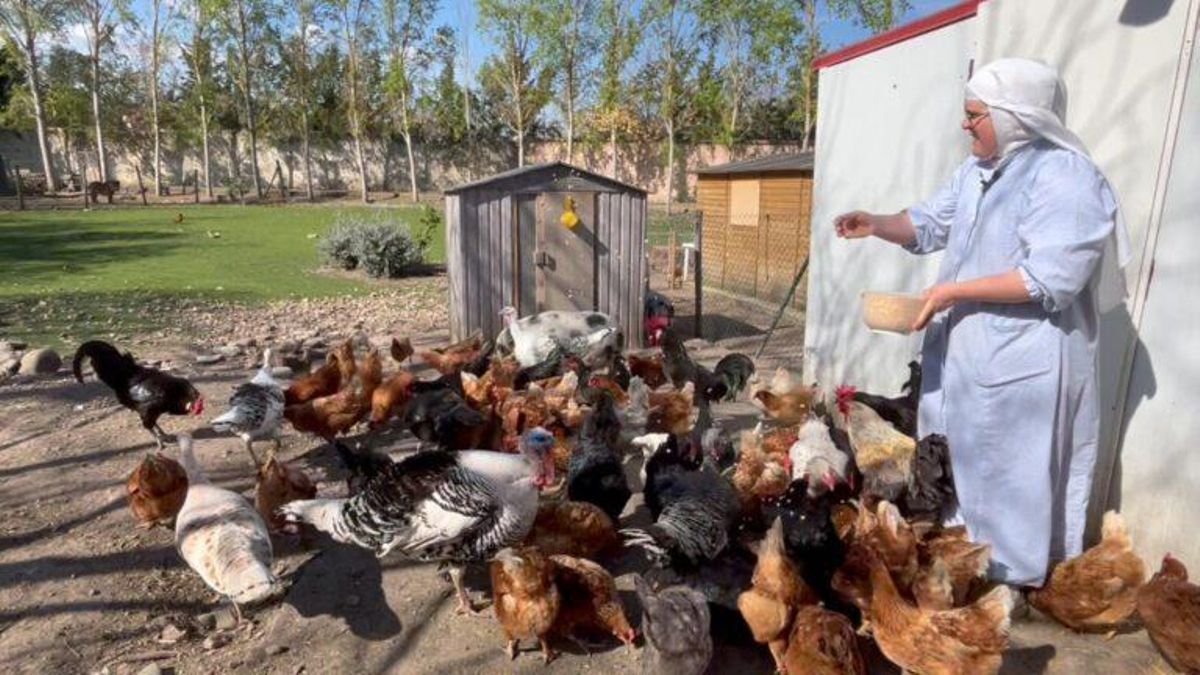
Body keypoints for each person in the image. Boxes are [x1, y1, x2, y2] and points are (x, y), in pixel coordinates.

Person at [834, 58, 1131, 587]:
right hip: (972, 355)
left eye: (976, 114)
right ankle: (973, 568)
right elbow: (926, 222)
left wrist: (952, 291)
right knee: (965, 464)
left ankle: (1015, 583)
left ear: (1016, 116)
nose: (966, 124)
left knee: (1016, 472)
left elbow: (1051, 279)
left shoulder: (1065, 176)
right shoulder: (976, 172)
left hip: (1028, 359)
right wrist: (876, 223)